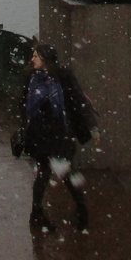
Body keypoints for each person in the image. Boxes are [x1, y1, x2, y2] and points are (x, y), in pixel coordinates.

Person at [20, 44, 90, 234]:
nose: (32, 59)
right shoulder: (31, 77)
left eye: (36, 56)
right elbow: (23, 104)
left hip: (59, 134)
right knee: (43, 174)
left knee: (65, 172)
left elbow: (78, 101)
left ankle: (82, 210)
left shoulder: (63, 77)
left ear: (45, 59)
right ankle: (36, 213)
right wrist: (24, 127)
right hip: (39, 135)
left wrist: (91, 128)